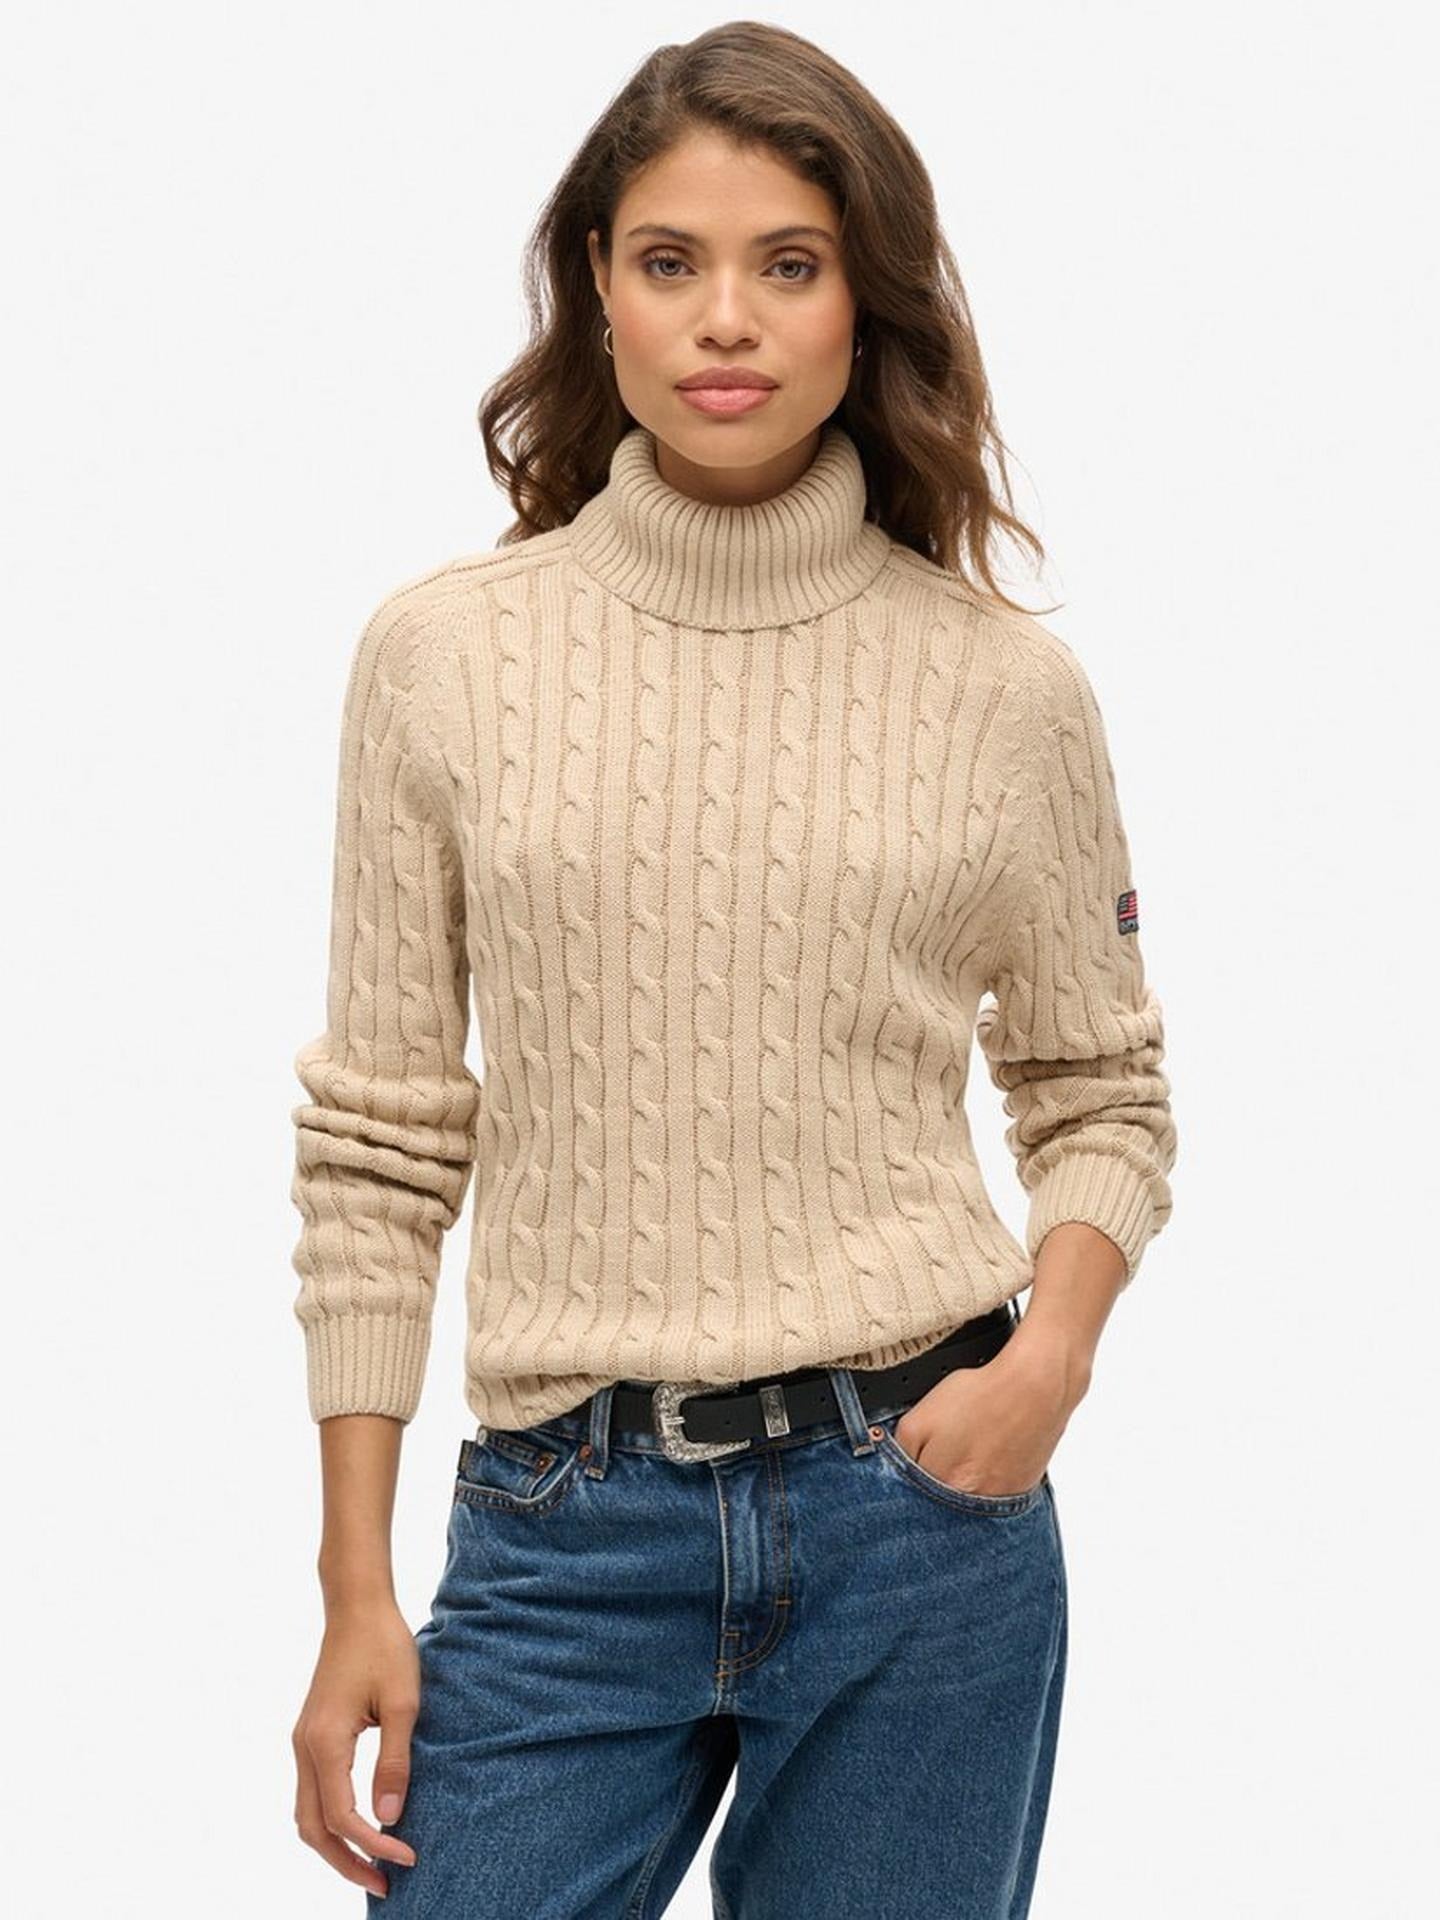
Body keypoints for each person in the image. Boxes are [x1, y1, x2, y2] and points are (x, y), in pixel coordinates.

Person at [288, 22, 1177, 1917]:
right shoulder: (441, 657)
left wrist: (1050, 1363)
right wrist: (355, 1584)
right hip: (559, 1531)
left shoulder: (1006, 688)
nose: (726, 319)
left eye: (789, 263)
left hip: (919, 1518)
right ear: (596, 291)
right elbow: (378, 1146)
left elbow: (1100, 1091)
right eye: (669, 260)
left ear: (868, 303)